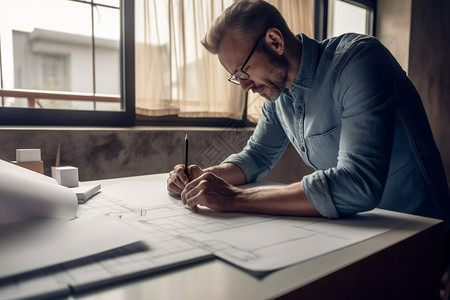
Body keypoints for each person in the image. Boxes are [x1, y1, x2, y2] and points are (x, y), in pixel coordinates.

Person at [167, 0, 450, 235]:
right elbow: (257, 156)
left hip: (420, 232)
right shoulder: (278, 95)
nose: (244, 86)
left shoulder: (359, 60)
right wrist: (204, 178)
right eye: (235, 77)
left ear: (275, 41)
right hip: (358, 230)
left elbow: (358, 183)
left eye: (243, 71)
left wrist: (234, 198)